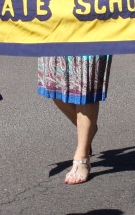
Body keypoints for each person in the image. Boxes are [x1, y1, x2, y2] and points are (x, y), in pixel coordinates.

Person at [38, 55, 112, 184]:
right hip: (55, 35)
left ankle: (82, 156)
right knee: (53, 85)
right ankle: (89, 129)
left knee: (85, 83)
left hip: (88, 36)